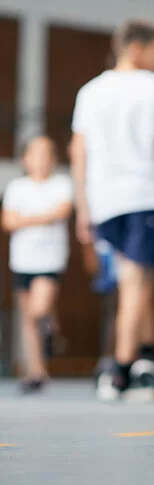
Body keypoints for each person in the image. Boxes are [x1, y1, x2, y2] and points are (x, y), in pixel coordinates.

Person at [70, 19, 154, 400]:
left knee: (137, 279)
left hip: (105, 202)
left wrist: (84, 207)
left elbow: (78, 152)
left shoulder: (90, 91)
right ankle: (118, 370)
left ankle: (146, 360)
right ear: (137, 48)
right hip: (144, 196)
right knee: (137, 282)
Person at [2, 136, 72, 392]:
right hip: (22, 259)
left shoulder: (61, 184)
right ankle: (36, 370)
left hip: (49, 258)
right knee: (28, 319)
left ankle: (51, 326)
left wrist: (26, 219)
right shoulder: (17, 187)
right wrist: (45, 217)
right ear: (25, 159)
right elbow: (8, 222)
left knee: (38, 309)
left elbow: (62, 212)